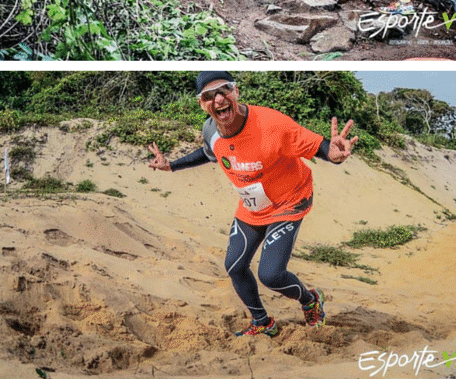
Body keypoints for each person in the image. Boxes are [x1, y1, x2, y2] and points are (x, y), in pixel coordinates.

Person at [147, 71, 359, 337]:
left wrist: (333, 153)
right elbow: (208, 153)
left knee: (270, 275)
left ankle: (310, 300)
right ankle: (262, 322)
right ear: (201, 103)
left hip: (289, 201)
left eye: (224, 90)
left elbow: (317, 146)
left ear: (236, 92)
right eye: (209, 96)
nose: (219, 99)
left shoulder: (272, 124)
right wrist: (172, 166)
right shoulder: (211, 130)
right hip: (253, 207)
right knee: (235, 266)